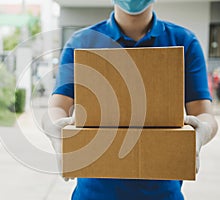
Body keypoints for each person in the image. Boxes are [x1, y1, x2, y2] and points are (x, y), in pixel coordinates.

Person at [42, 0, 218, 199]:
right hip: (94, 193)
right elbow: (57, 106)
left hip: (162, 193)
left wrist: (201, 132)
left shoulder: (184, 41)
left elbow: (203, 112)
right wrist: (56, 132)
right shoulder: (83, 42)